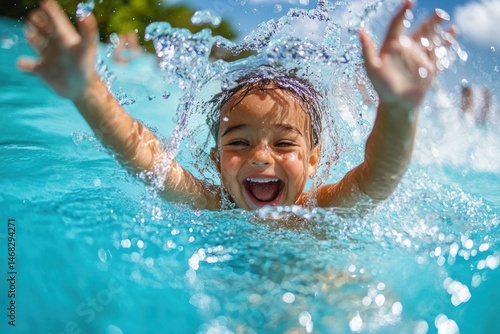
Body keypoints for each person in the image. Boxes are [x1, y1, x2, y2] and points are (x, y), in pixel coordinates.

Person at [17, 0, 456, 211]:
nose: (260, 156)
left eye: (284, 143)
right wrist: (85, 90)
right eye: (239, 141)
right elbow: (142, 154)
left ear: (314, 159)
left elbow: (379, 177)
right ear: (217, 160)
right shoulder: (212, 204)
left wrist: (398, 108)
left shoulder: (321, 210)